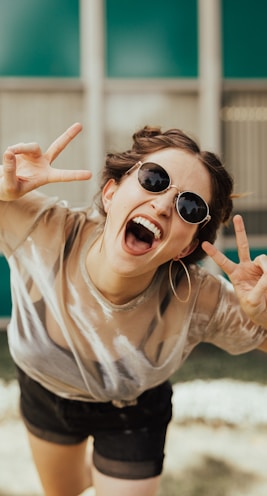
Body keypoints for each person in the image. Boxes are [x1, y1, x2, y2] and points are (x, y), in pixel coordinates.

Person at [0, 122, 266, 496]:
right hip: (45, 388)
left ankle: (120, 465)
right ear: (111, 193)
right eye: (154, 180)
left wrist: (262, 315)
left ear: (186, 248)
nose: (161, 205)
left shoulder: (197, 298)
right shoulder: (39, 227)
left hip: (133, 410)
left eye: (190, 206)